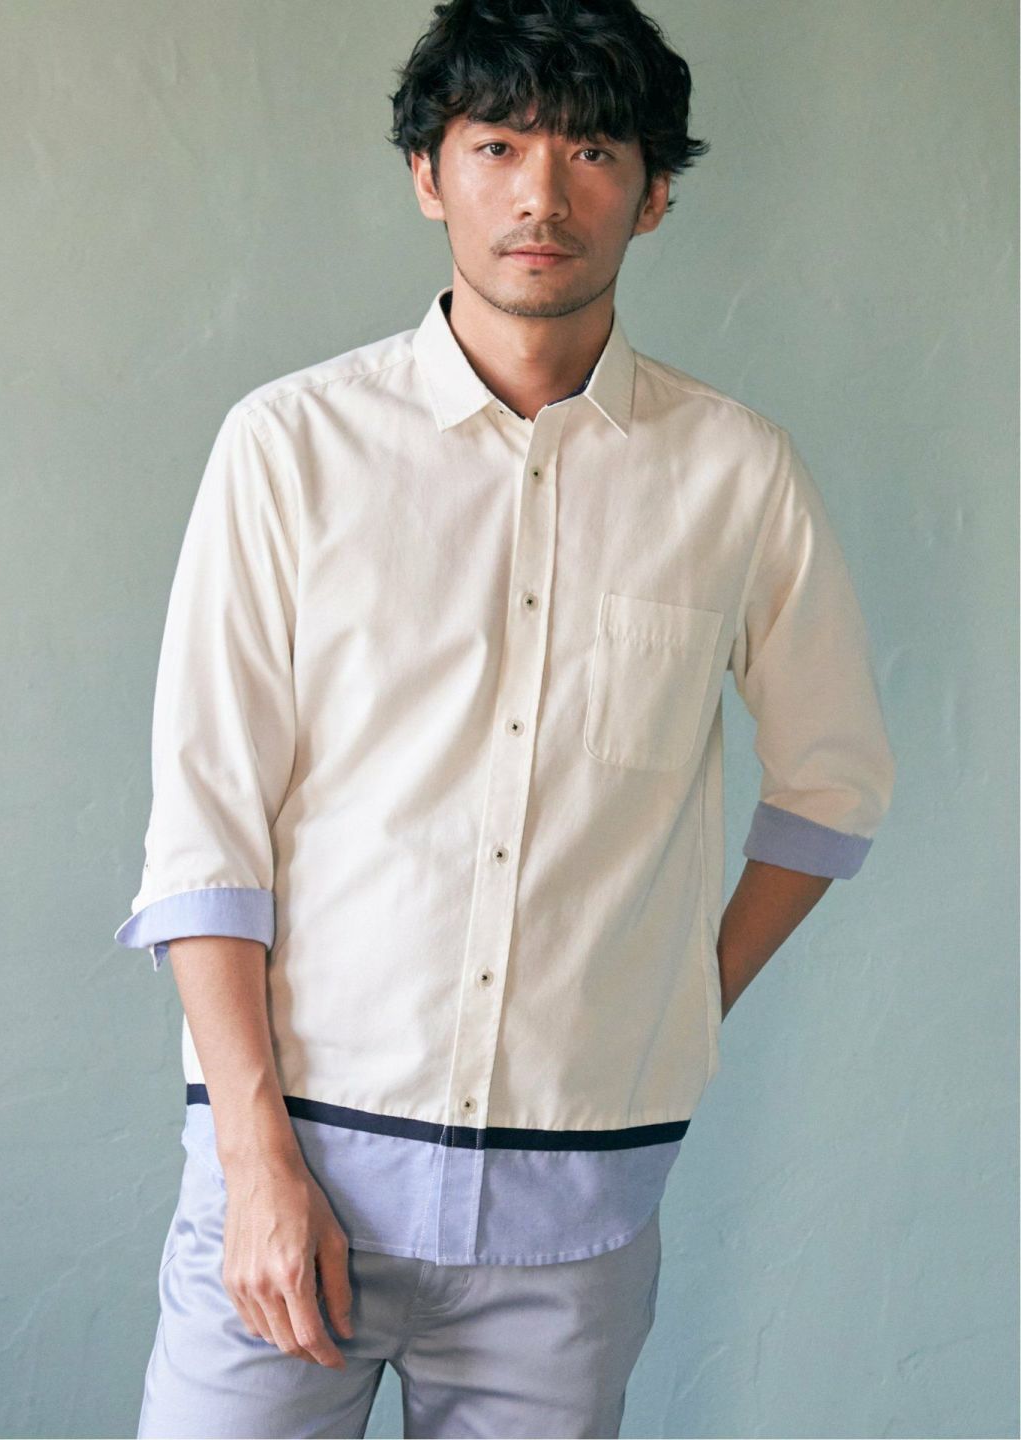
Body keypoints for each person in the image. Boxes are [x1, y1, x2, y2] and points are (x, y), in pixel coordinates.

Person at [114, 1, 896, 1435]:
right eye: (497, 147)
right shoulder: (289, 449)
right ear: (430, 175)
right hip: (292, 1181)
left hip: (574, 1220)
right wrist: (255, 1161)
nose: (542, 194)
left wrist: (681, 999)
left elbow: (833, 785)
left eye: (592, 150)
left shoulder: (736, 475)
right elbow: (207, 827)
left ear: (653, 195)